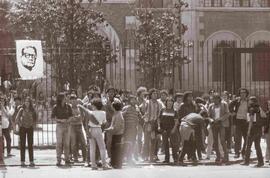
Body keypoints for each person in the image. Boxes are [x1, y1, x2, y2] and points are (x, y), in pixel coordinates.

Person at [78, 98, 111, 170]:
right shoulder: (103, 113)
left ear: (95, 106)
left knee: (92, 148)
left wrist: (87, 132)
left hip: (91, 129)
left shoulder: (91, 112)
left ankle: (93, 165)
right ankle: (104, 164)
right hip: (98, 129)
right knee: (102, 148)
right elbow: (104, 123)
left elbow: (86, 122)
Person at [241, 96, 267, 167]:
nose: (248, 102)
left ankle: (246, 161)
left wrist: (248, 130)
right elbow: (264, 116)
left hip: (253, 129)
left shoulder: (251, 109)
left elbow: (251, 119)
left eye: (249, 100)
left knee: (248, 146)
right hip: (258, 129)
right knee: (257, 146)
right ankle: (261, 162)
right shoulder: (259, 108)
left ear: (252, 101)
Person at [208, 93, 230, 164]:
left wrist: (220, 119)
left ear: (219, 99)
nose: (214, 100)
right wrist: (210, 119)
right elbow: (208, 115)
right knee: (215, 141)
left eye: (216, 98)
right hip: (214, 124)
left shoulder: (224, 104)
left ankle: (226, 157)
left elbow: (227, 114)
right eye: (213, 99)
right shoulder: (211, 106)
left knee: (222, 140)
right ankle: (218, 157)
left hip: (221, 124)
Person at [51, 93, 73, 166]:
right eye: (64, 97)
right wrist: (60, 120)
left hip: (67, 125)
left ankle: (67, 159)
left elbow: (71, 116)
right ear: (61, 98)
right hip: (59, 125)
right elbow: (52, 117)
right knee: (59, 143)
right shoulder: (56, 107)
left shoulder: (68, 106)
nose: (66, 98)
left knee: (67, 143)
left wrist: (67, 120)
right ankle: (58, 160)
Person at [142, 88, 163, 162]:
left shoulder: (159, 103)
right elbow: (143, 110)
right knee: (147, 140)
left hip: (156, 123)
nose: (155, 95)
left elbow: (161, 112)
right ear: (150, 95)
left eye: (156, 93)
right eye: (153, 93)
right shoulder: (147, 102)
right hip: (148, 122)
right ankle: (145, 156)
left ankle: (154, 155)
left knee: (156, 140)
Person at [15, 97, 37, 167]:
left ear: (30, 103)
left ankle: (31, 161)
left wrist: (33, 125)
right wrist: (20, 124)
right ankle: (22, 161)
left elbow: (36, 119)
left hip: (30, 128)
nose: (27, 103)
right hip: (23, 128)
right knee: (22, 145)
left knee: (30, 145)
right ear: (24, 102)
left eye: (28, 101)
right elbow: (16, 119)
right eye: (26, 101)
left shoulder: (32, 110)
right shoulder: (21, 109)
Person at [158, 97, 179, 164]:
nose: (169, 103)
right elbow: (159, 119)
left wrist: (174, 129)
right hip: (164, 130)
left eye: (171, 101)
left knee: (173, 144)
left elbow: (176, 122)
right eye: (168, 101)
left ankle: (175, 158)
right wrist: (159, 127)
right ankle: (167, 159)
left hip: (172, 129)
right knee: (165, 144)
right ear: (166, 102)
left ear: (173, 103)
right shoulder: (162, 110)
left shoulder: (174, 111)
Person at [229, 88, 249, 158]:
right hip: (238, 121)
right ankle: (237, 152)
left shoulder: (249, 101)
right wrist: (232, 112)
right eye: (241, 93)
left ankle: (243, 151)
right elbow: (230, 105)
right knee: (237, 138)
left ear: (246, 94)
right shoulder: (237, 101)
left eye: (244, 92)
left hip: (246, 121)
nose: (242, 94)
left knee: (246, 138)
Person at [122, 95, 142, 165]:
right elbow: (122, 116)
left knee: (132, 143)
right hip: (127, 128)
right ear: (129, 100)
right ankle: (124, 157)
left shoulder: (137, 108)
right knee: (127, 143)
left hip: (134, 128)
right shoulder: (126, 107)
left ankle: (129, 158)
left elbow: (139, 117)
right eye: (132, 100)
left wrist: (141, 116)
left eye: (134, 99)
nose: (133, 101)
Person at [106, 100, 125, 169]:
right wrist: (109, 129)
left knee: (117, 150)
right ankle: (114, 163)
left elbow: (117, 127)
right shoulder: (116, 114)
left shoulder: (119, 114)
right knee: (113, 149)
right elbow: (113, 125)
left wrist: (110, 130)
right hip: (115, 134)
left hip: (118, 134)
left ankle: (117, 164)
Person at [69, 94, 87, 163]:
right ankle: (75, 158)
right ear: (70, 101)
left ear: (77, 100)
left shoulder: (80, 107)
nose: (73, 101)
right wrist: (75, 117)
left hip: (79, 126)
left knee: (83, 142)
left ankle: (84, 158)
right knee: (73, 143)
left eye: (75, 100)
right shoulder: (69, 108)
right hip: (72, 126)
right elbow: (69, 117)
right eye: (72, 100)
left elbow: (82, 116)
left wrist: (78, 117)